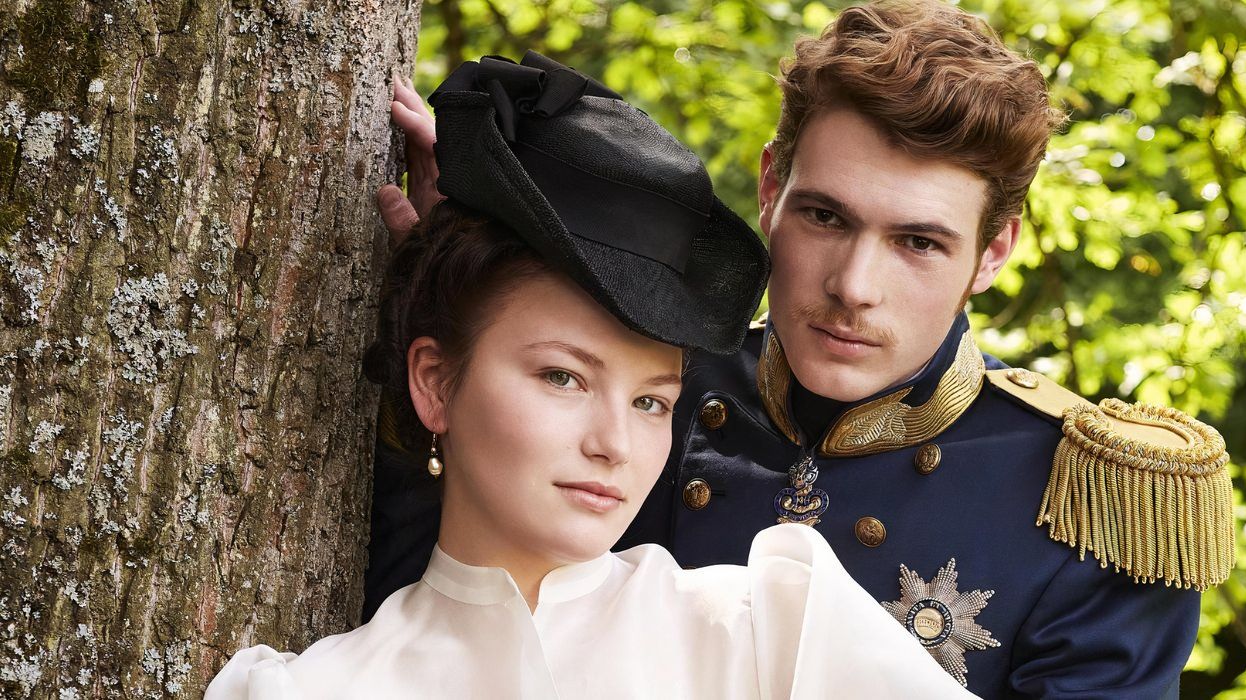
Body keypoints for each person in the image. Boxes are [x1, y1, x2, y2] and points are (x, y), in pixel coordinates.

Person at [370, 2, 1236, 697]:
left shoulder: (1093, 501)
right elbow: (425, 617)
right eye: (826, 216)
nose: (855, 285)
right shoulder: (642, 394)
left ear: (995, 251)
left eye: (919, 243)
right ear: (771, 187)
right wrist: (449, 293)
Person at [206, 53, 975, 699]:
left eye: (650, 401)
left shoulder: (768, 629)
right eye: (563, 379)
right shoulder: (302, 691)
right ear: (434, 381)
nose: (615, 444)